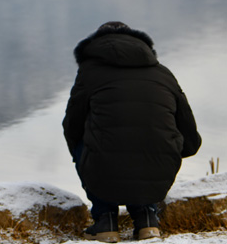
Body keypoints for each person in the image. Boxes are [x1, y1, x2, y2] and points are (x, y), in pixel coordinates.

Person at [63, 21, 201, 242]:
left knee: (91, 142)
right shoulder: (162, 73)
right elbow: (187, 125)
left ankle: (106, 220)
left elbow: (72, 123)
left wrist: (78, 153)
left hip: (103, 166)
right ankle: (147, 218)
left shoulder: (89, 73)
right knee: (144, 142)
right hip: (160, 163)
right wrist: (179, 149)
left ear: (96, 46)